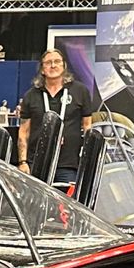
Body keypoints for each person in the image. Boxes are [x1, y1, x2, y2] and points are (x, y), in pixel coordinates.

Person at [17, 49, 93, 183]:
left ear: (64, 66)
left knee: (66, 203)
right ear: (42, 69)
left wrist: (86, 158)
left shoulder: (80, 91)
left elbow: (87, 126)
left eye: (57, 61)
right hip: (36, 164)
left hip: (68, 165)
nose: (53, 65)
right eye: (48, 62)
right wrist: (22, 161)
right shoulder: (31, 95)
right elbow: (24, 131)